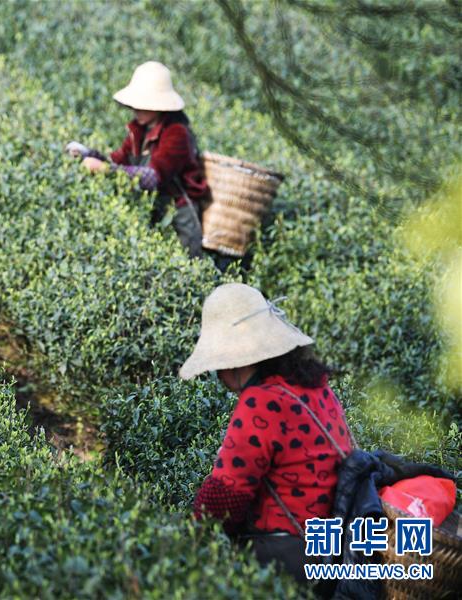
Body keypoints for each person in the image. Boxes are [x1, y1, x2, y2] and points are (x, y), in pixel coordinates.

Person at [180, 283, 352, 592]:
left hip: (288, 556)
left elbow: (226, 497)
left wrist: (187, 539)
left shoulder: (261, 401)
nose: (219, 376)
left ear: (239, 361)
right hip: (334, 550)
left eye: (219, 366)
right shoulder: (317, 387)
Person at [65, 61, 209, 258]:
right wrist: (87, 153)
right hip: (154, 211)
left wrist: (105, 170)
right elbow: (118, 160)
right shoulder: (139, 130)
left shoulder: (177, 133)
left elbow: (153, 177)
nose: (136, 109)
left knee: (187, 262)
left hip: (179, 215)